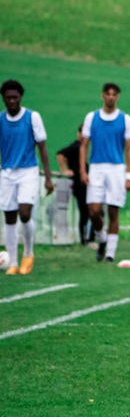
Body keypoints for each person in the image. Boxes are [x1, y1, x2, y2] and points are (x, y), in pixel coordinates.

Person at [0, 79, 53, 276]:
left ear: (21, 97)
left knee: (24, 213)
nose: (12, 101)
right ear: (3, 99)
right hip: (6, 173)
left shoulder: (32, 117)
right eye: (8, 98)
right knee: (9, 217)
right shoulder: (0, 120)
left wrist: (47, 177)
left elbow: (43, 149)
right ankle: (13, 262)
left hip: (28, 171)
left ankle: (28, 254)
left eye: (15, 97)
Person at [80, 82, 130, 263]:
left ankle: (110, 253)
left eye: (114, 94)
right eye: (107, 94)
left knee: (113, 211)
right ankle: (101, 239)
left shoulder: (125, 119)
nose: (111, 97)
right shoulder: (92, 117)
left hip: (116, 169)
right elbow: (84, 145)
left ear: (118, 97)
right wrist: (83, 169)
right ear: (102, 95)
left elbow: (129, 150)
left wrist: (129, 176)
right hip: (96, 167)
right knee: (94, 210)